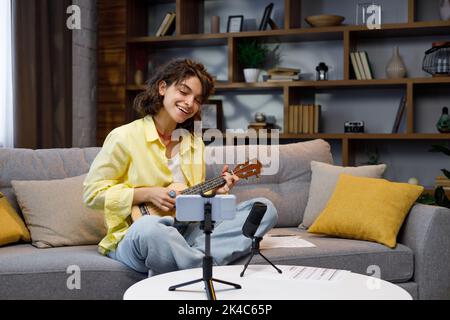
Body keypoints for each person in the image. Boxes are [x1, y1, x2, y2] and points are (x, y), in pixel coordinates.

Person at [83, 58, 277, 276]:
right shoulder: (124, 136)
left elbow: (190, 200)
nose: (189, 103)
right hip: (137, 235)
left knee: (263, 208)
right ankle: (200, 267)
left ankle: (186, 261)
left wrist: (215, 192)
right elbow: (91, 195)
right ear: (163, 87)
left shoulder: (194, 143)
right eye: (184, 92)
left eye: (197, 99)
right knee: (150, 228)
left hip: (187, 231)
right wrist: (147, 193)